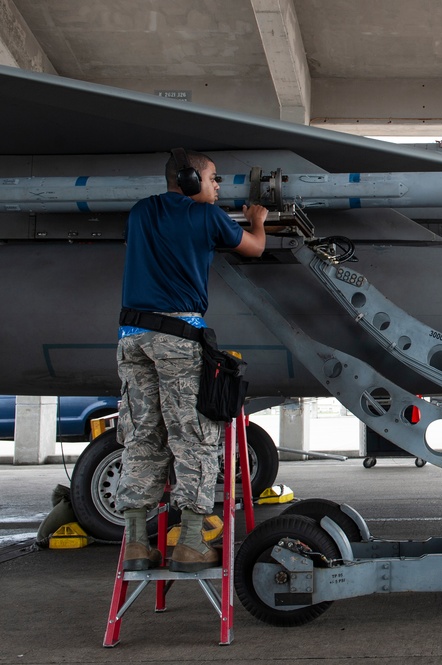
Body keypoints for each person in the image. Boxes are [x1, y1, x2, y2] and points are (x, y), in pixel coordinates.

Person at [115, 149, 267, 572]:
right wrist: (257, 220)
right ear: (188, 180)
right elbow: (253, 249)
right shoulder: (205, 217)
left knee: (142, 435)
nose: (218, 187)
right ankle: (192, 542)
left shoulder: (140, 213)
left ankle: (135, 544)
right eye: (214, 179)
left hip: (131, 338)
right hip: (177, 337)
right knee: (194, 436)